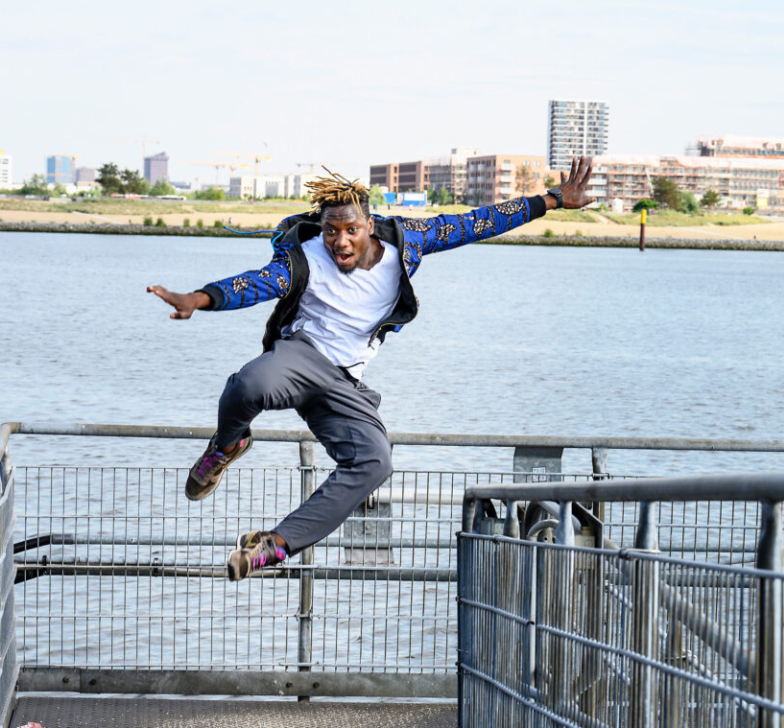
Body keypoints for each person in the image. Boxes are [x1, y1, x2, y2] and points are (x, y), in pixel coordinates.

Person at [148, 158, 596, 581]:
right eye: (330, 231)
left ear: (369, 226)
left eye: (350, 231)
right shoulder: (302, 257)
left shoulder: (408, 241)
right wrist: (198, 299)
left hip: (345, 382)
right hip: (302, 356)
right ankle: (227, 446)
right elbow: (253, 284)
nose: (340, 242)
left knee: (375, 461)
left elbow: (479, 221)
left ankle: (275, 544)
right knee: (249, 384)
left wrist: (554, 199)